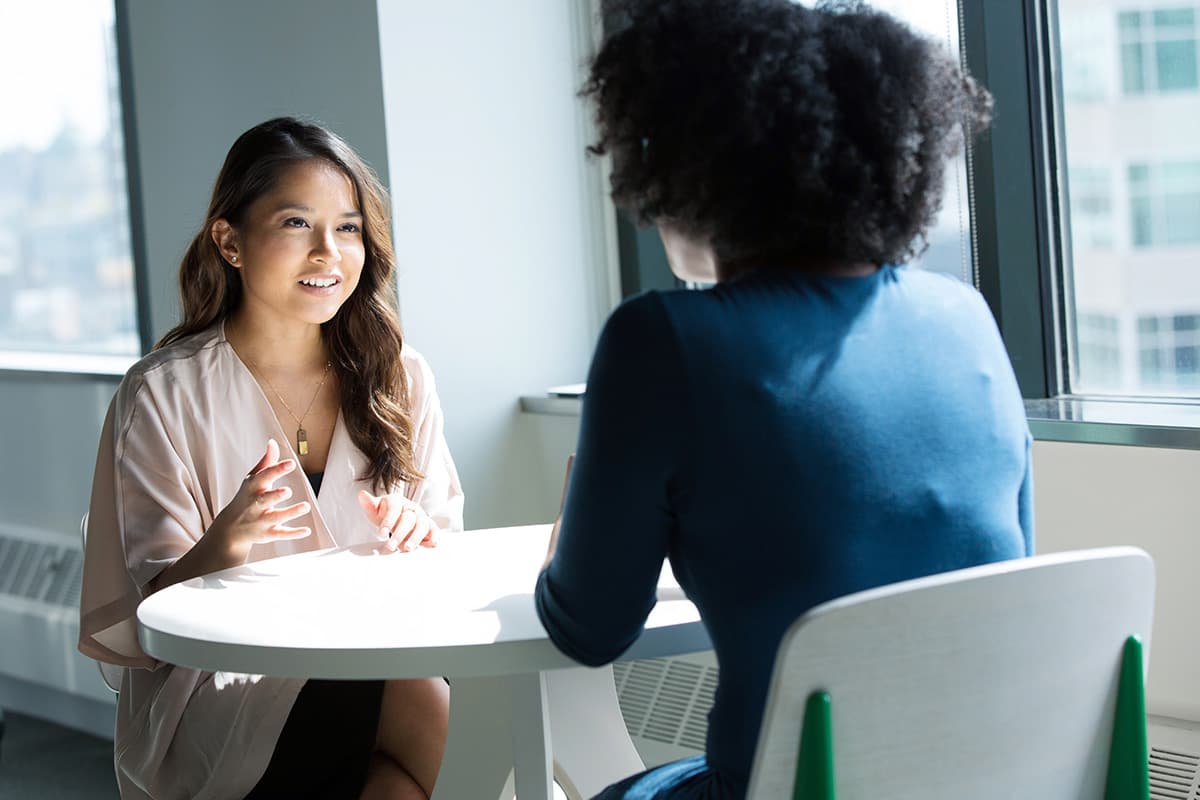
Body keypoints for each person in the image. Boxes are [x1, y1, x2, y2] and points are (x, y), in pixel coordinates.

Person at [534, 1, 1033, 798]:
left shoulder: (661, 340)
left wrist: (574, 541)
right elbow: (1001, 575)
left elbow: (588, 630)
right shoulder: (965, 320)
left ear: (693, 169)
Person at [78, 117, 463, 800]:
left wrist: (422, 537)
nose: (329, 253)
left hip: (384, 657)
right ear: (229, 241)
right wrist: (220, 548)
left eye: (347, 228)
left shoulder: (400, 375)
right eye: (296, 224)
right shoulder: (163, 393)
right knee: (427, 706)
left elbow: (447, 556)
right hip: (220, 691)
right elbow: (149, 625)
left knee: (405, 764)